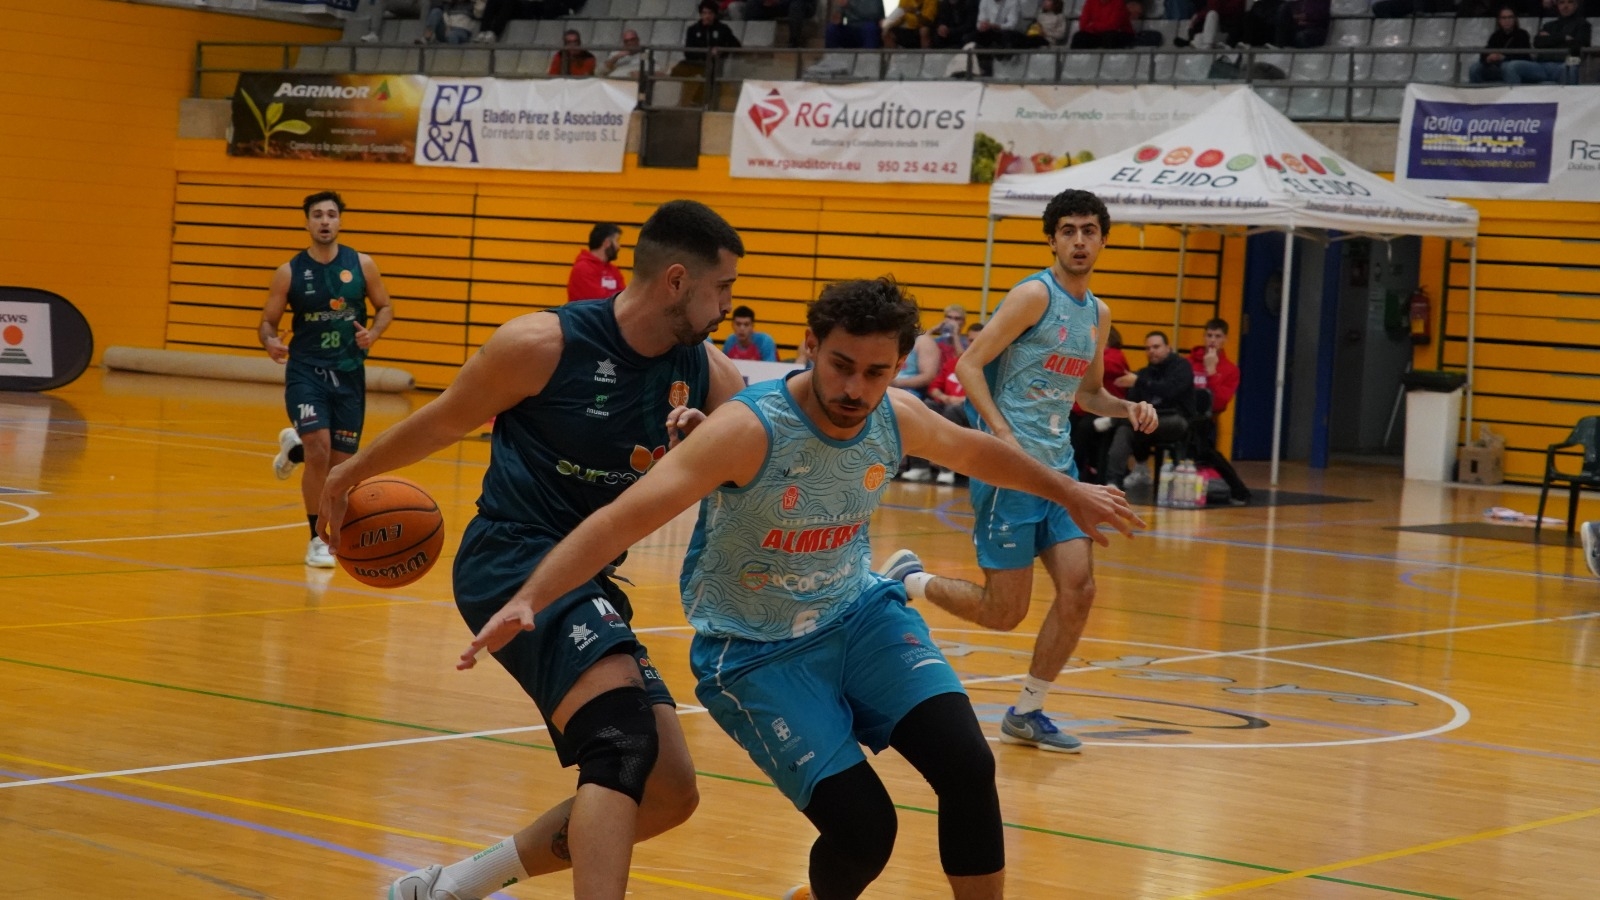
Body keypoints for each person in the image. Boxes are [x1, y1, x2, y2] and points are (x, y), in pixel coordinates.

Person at [459, 277, 1145, 900]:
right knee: (866, 831)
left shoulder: (896, 415)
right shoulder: (746, 429)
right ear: (811, 346)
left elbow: (975, 452)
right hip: (755, 653)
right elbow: (619, 520)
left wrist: (1069, 490)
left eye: (876, 372)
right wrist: (531, 596)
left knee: (967, 764)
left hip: (859, 616)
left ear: (897, 366)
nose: (855, 389)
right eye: (841, 365)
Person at [318, 200, 747, 900]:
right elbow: (445, 419)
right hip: (511, 558)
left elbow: (761, 472)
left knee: (669, 790)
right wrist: (348, 473)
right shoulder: (542, 344)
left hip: (589, 576)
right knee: (620, 739)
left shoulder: (711, 376)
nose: (727, 306)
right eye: (721, 288)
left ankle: (452, 887)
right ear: (677, 280)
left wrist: (717, 454)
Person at [877, 189, 1159, 754]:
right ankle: (909, 581)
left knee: (1080, 589)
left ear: (1103, 240)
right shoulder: (1034, 295)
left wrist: (1128, 407)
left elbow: (1088, 394)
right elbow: (969, 364)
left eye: (1089, 231)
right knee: (1005, 612)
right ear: (1052, 239)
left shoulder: (1097, 313)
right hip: (1009, 472)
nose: (1079, 241)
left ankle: (1027, 712)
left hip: (1061, 470)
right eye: (1068, 230)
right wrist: (1002, 436)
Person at [261, 191, 393, 569]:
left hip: (349, 374)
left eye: (331, 214)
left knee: (340, 468)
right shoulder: (289, 271)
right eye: (317, 214)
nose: (324, 221)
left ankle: (294, 449)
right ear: (307, 222)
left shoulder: (362, 264)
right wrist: (270, 341)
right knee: (319, 448)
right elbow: (268, 321)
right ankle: (316, 539)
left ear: (339, 221)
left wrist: (374, 333)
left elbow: (385, 306)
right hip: (306, 371)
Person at [1103, 330, 1195, 490]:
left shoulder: (1182, 366)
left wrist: (1139, 382)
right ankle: (1114, 482)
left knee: (1131, 421)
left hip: (1177, 420)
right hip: (1149, 420)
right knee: (1125, 429)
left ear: (1168, 348)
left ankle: (1113, 421)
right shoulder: (1145, 373)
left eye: (1156, 347)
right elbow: (1134, 401)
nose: (1151, 351)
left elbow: (1170, 390)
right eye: (1148, 348)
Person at [1187, 318, 1250, 504]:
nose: (1212, 340)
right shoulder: (1188, 363)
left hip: (1207, 421)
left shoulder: (1230, 370)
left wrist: (1211, 372)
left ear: (1225, 340)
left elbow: (1220, 402)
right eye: (1209, 335)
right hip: (1184, 416)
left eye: (1218, 336)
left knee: (1203, 447)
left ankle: (1237, 489)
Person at [1502, 0, 1589, 84]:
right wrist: (1563, 38)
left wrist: (1549, 39)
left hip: (1562, 65)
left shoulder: (1583, 25)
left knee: (1570, 68)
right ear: (1557, 5)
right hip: (1541, 65)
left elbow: (1577, 46)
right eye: (1561, 2)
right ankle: (1515, 94)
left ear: (1576, 5)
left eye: (1570, 2)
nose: (1565, 6)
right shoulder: (1548, 25)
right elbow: (1538, 42)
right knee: (1511, 66)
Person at [1469, 8, 1532, 84]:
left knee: (1508, 67)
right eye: (1504, 18)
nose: (1507, 20)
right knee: (1475, 68)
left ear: (1515, 19)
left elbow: (1523, 55)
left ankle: (1512, 90)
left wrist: (1503, 57)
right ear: (1499, 20)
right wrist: (1488, 58)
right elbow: (1486, 51)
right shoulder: (1496, 35)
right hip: (1497, 66)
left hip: (1515, 66)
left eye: (1510, 17)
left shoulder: (1522, 34)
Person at [567, 223, 626, 302]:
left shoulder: (614, 270)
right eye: (617, 240)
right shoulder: (582, 268)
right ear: (607, 243)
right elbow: (599, 302)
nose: (619, 246)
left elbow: (624, 299)